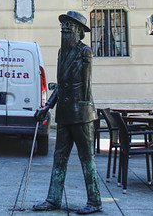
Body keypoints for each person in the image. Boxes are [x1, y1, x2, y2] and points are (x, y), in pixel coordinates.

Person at [33, 11, 102, 215]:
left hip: (81, 115)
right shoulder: (61, 52)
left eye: (69, 25)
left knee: (86, 158)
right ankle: (53, 198)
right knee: (59, 157)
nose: (64, 28)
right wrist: (47, 106)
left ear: (79, 31)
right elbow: (61, 86)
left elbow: (87, 90)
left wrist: (83, 111)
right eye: (63, 25)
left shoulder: (84, 52)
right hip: (64, 114)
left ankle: (95, 200)